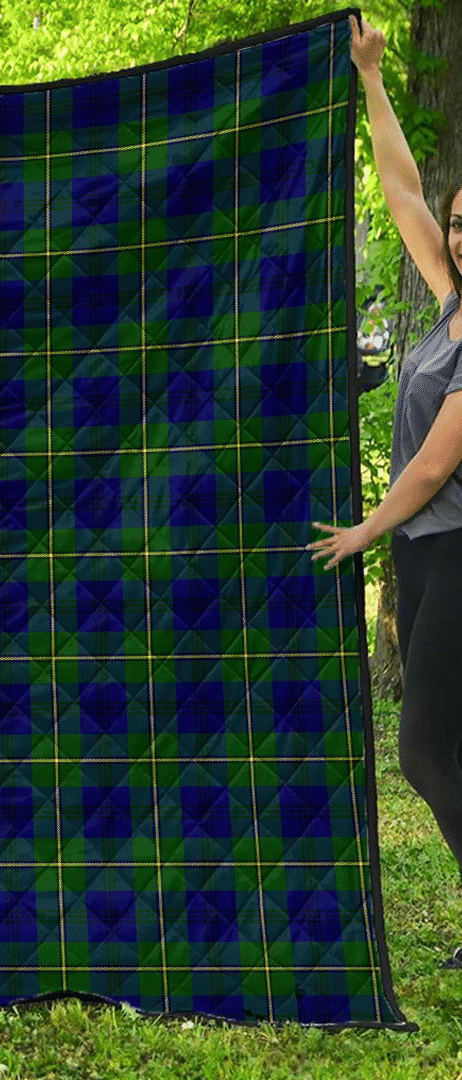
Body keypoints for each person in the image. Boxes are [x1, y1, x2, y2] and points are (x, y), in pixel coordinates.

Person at [308, 15, 462, 965]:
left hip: (454, 551)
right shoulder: (450, 304)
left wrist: (364, 531)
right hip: (429, 552)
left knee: (421, 750)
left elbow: (438, 462)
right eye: (461, 222)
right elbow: (403, 190)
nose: (461, 235)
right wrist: (370, 78)